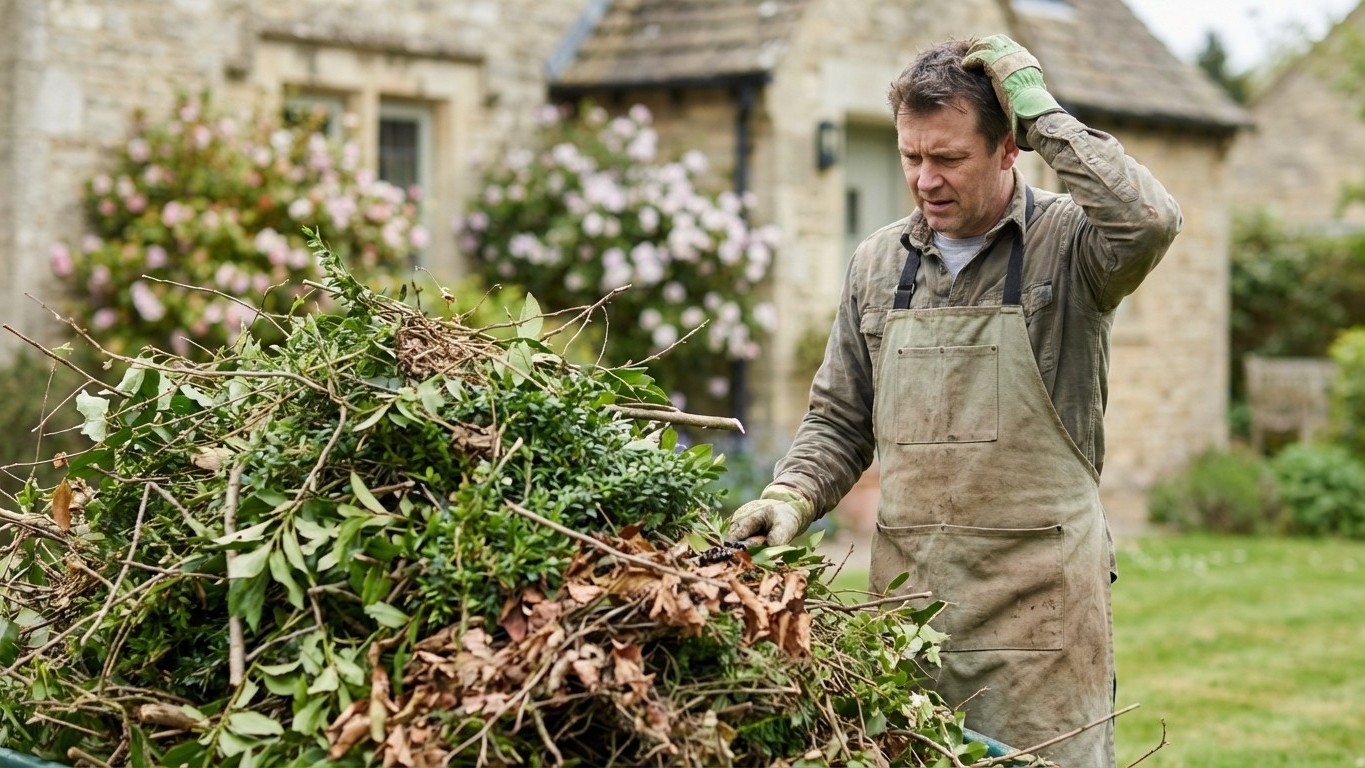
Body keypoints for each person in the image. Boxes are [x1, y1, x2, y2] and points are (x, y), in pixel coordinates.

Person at [726, 34, 1181, 767]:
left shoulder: (1070, 246)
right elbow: (840, 419)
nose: (924, 179)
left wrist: (1041, 113)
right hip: (908, 616)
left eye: (947, 158)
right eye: (911, 157)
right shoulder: (877, 263)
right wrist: (791, 494)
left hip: (1040, 627)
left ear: (1007, 150)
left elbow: (1149, 220)